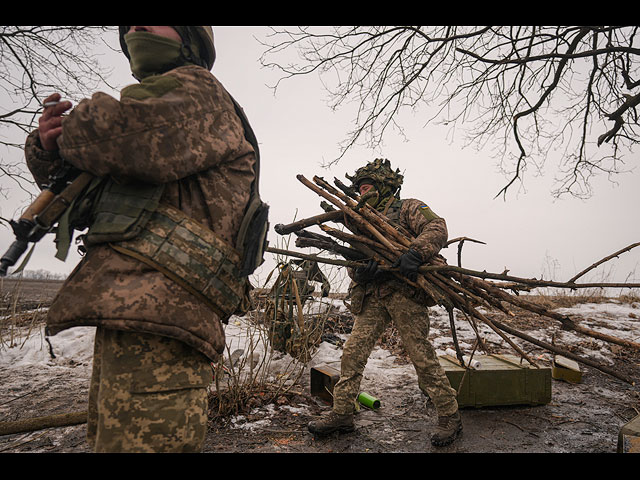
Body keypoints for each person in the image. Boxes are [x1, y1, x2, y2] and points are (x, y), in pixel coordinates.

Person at [24, 26, 261, 452]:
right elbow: (86, 204)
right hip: (138, 315)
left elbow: (120, 138)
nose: (137, 28)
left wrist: (78, 127)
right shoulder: (162, 111)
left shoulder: (197, 92)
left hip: (165, 322)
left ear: (190, 35)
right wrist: (50, 147)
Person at [307, 158, 462, 447]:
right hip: (373, 296)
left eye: (369, 185)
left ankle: (450, 415)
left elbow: (437, 228)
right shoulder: (360, 220)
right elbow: (353, 258)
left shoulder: (408, 208)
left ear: (384, 185)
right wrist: (360, 272)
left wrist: (415, 253)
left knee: (420, 356)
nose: (363, 189)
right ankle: (342, 413)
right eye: (360, 186)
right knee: (352, 354)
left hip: (405, 293)